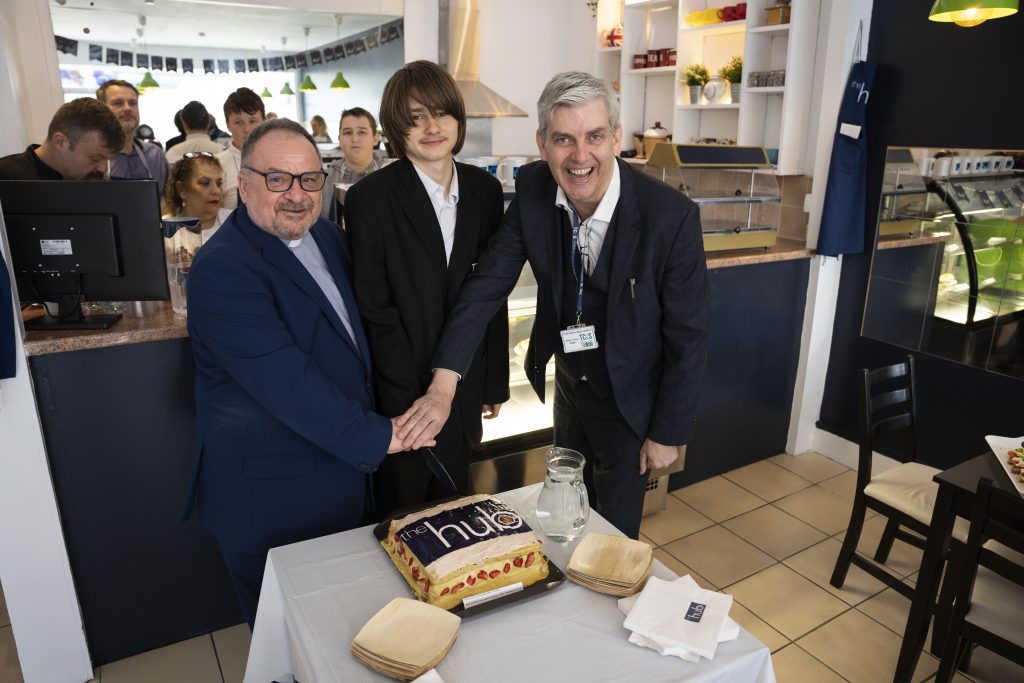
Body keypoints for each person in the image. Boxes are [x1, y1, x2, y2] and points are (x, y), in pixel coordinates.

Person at [398, 71, 710, 539]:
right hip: (570, 385)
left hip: (632, 401)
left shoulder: (671, 218)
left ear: (617, 139)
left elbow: (689, 334)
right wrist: (443, 385)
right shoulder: (534, 190)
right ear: (542, 143)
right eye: (563, 139)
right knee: (566, 514)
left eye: (595, 136)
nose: (580, 156)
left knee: (615, 533)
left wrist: (668, 431)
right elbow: (486, 287)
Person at [184, 118, 421, 628]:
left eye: (309, 179)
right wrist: (386, 436)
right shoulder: (222, 268)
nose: (296, 194)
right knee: (291, 647)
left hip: (339, 481)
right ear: (243, 184)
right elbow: (285, 381)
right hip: (272, 499)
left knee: (348, 636)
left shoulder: (329, 238)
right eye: (278, 179)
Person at [345, 61, 509, 517]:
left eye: (441, 113)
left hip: (466, 384)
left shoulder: (485, 190)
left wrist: (491, 381)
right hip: (401, 397)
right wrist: (413, 403)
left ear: (458, 118)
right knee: (404, 516)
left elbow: (490, 297)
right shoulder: (369, 200)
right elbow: (375, 311)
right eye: (415, 118)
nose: (431, 127)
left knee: (457, 507)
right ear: (397, 129)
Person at [0, 97, 124, 180]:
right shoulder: (5, 177)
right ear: (61, 142)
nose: (104, 169)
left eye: (108, 160)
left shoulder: (91, 182)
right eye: (95, 159)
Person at [97, 79, 170, 190]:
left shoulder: (156, 155)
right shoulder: (93, 158)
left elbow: (168, 201)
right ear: (101, 109)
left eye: (132, 103)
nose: (127, 108)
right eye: (118, 103)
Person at [319, 107, 388, 221]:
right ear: (339, 139)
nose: (355, 139)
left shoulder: (390, 174)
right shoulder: (323, 180)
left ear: (375, 138)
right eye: (348, 132)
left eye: (362, 132)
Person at [162, 153, 231, 242]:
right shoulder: (162, 229)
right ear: (181, 190)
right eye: (205, 183)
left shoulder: (236, 222)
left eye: (219, 184)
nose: (216, 191)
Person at [215, 87, 265, 211]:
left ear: (264, 122)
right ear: (228, 125)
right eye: (238, 122)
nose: (247, 129)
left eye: (253, 121)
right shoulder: (216, 165)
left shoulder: (278, 160)